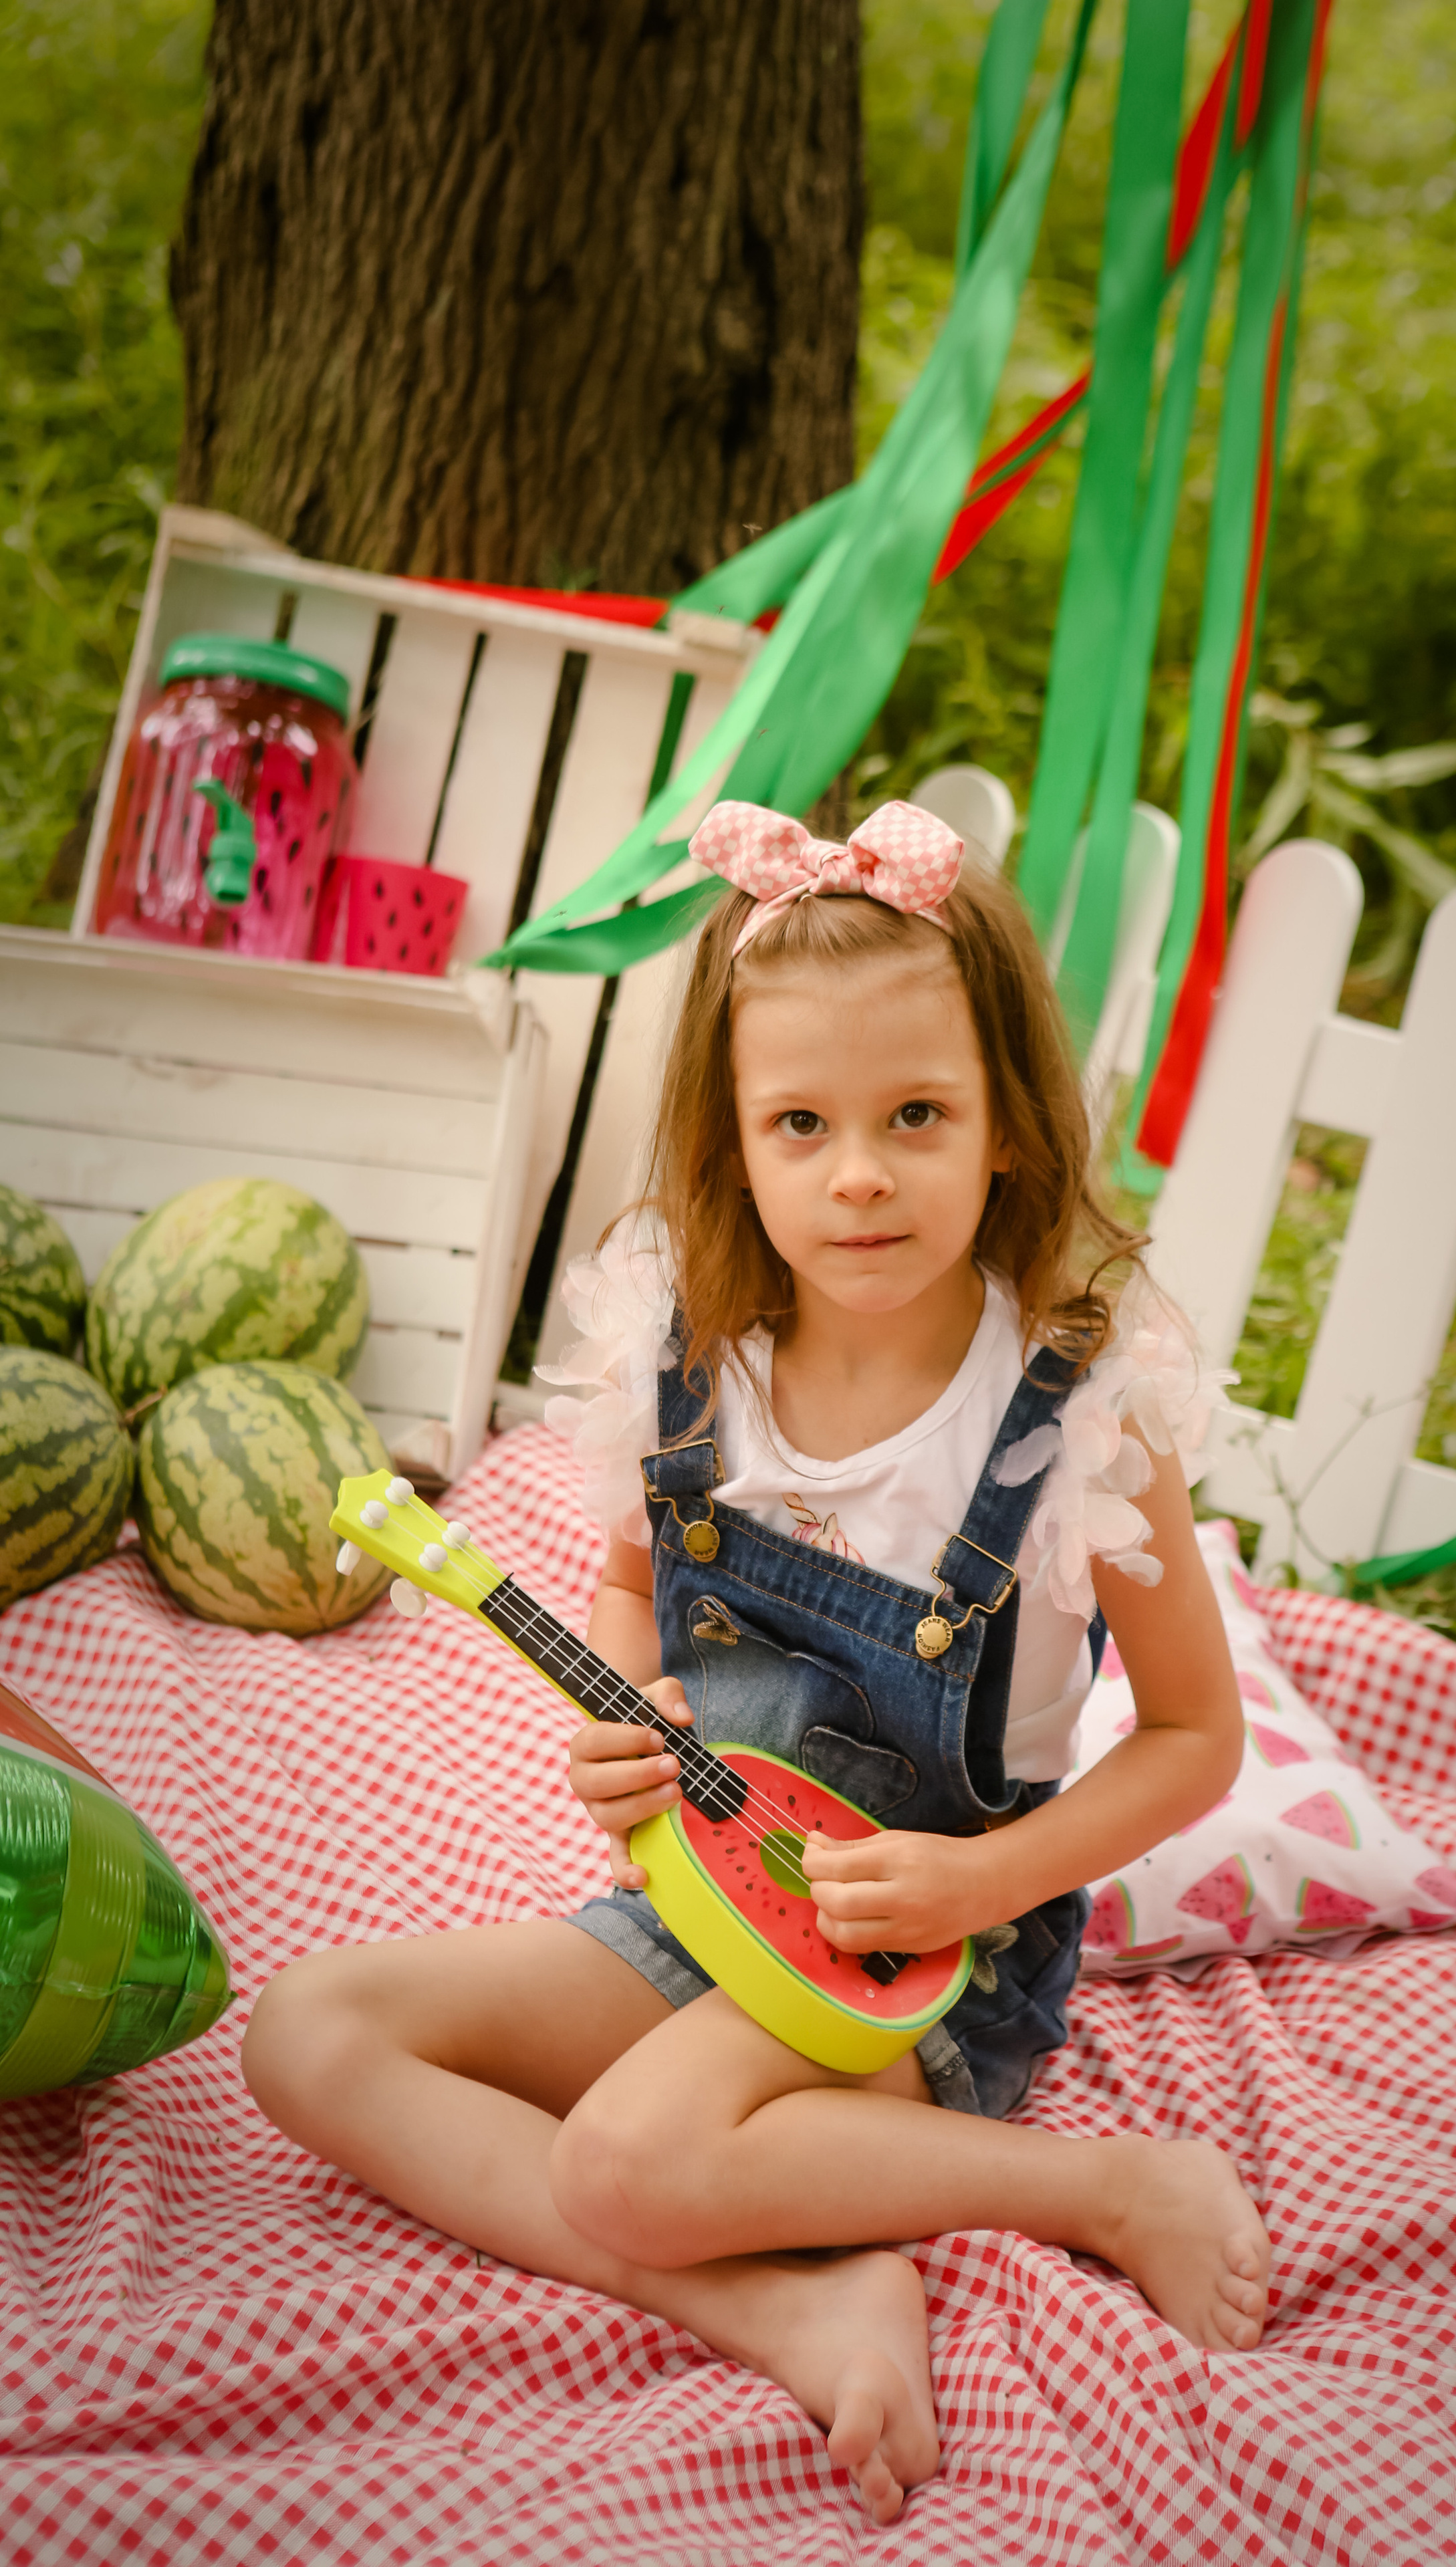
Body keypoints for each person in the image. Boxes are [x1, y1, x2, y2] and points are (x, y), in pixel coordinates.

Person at [243, 798, 1269, 2526]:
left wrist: (973, 1881)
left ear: (1010, 1122)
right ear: (737, 1137)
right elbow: (635, 1607)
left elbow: (1191, 1737)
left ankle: (1098, 2183)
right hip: (713, 1903)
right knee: (308, 2032)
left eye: (916, 1116)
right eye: (802, 1123)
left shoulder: (1073, 1417)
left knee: (631, 2153)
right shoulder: (683, 1356)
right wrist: (630, 1719)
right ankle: (789, 2291)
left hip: (915, 1973)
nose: (858, 1172)